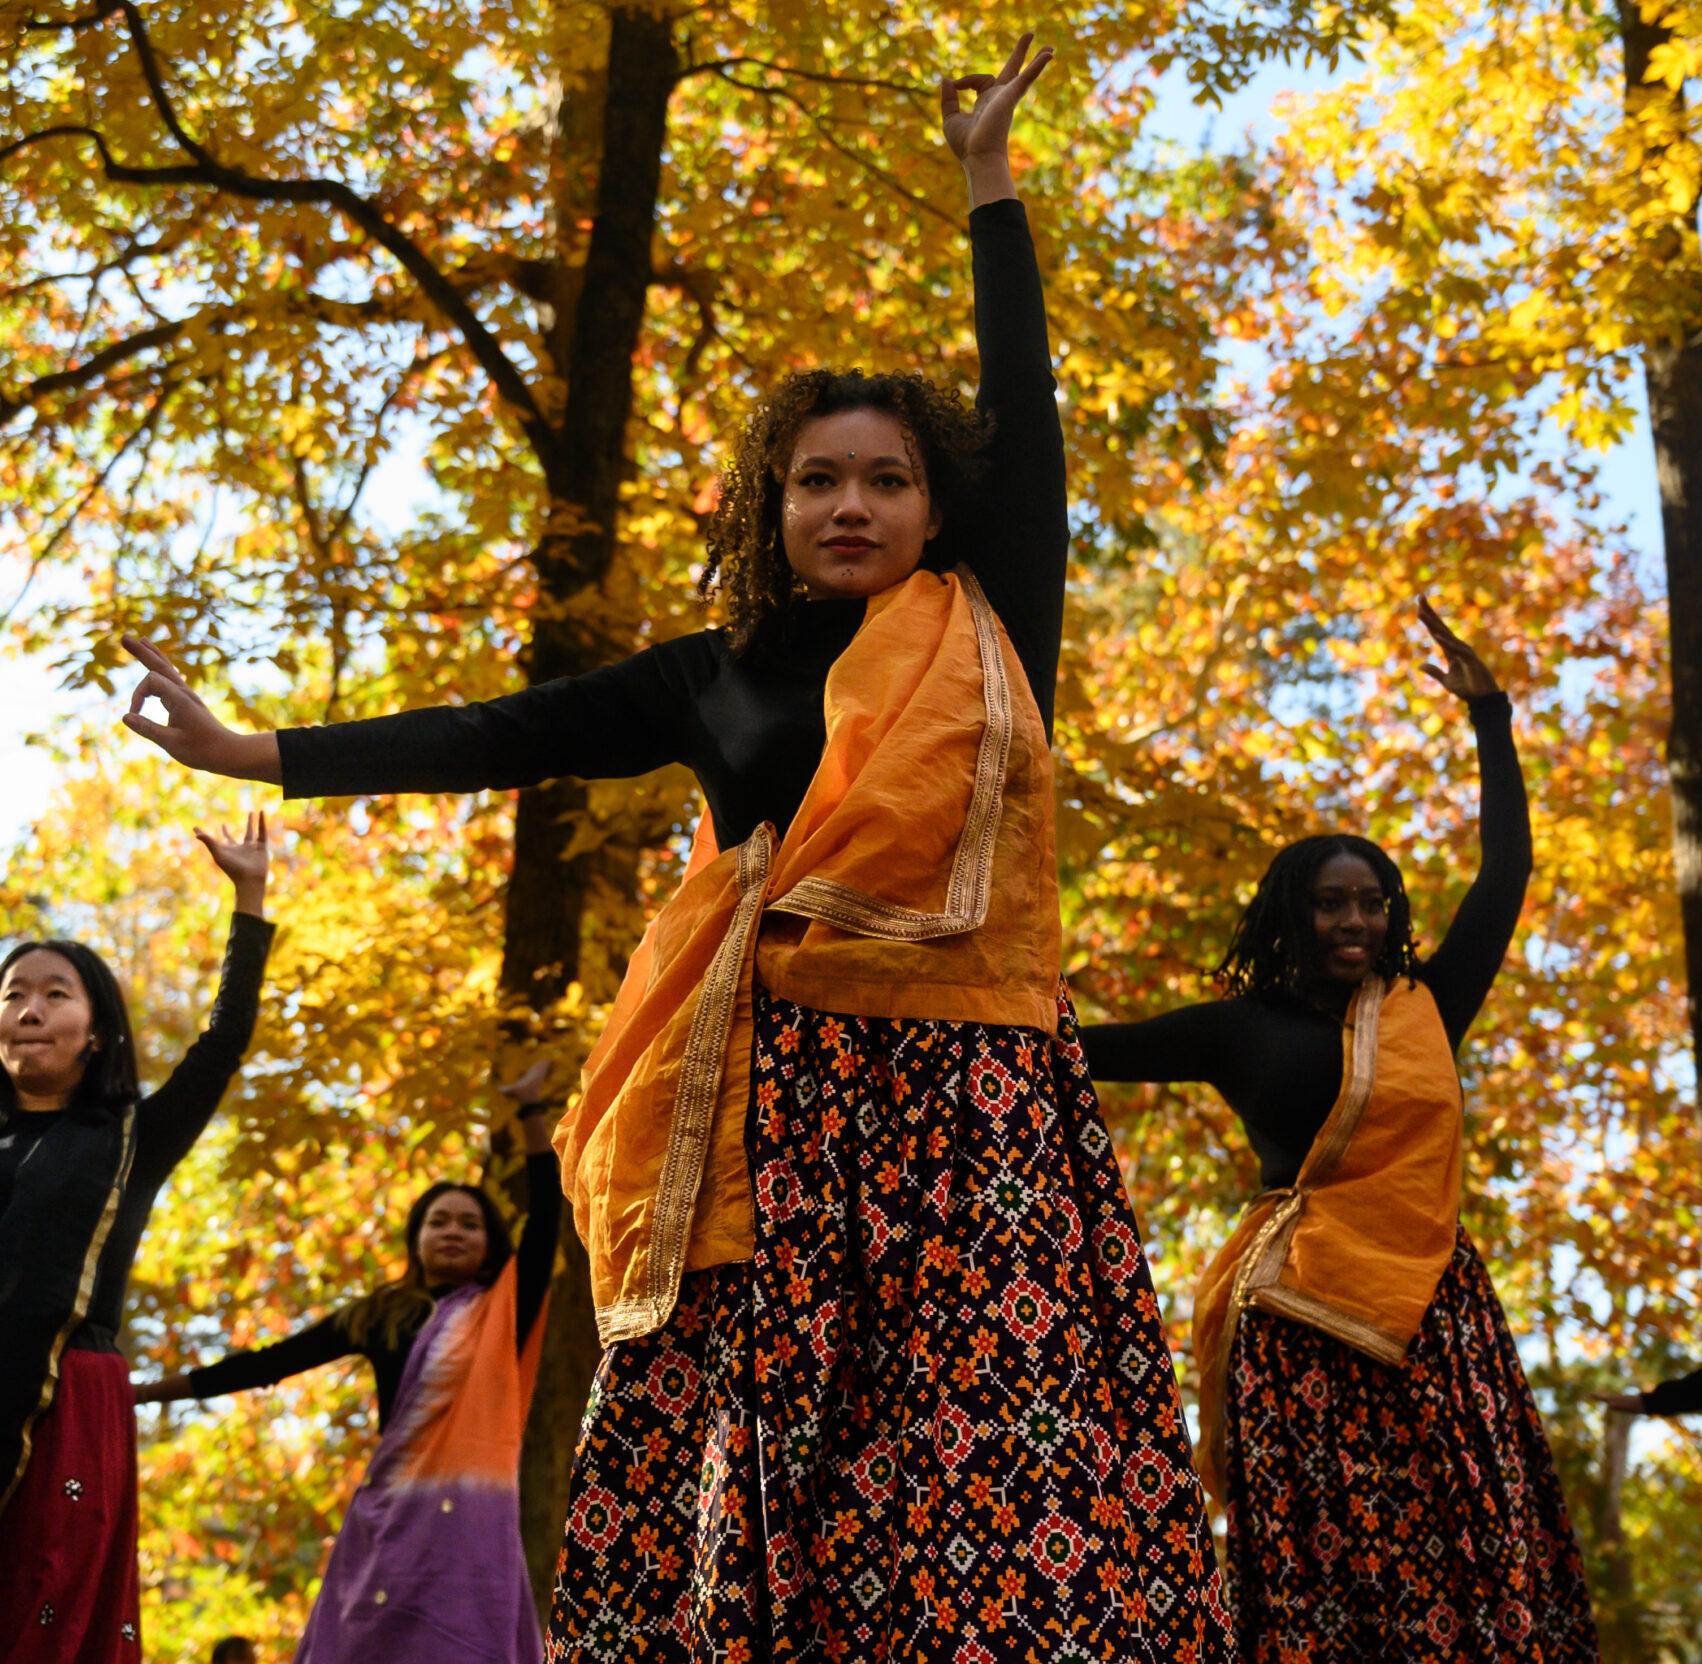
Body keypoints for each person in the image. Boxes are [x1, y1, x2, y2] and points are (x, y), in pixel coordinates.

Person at [117, 32, 1232, 1661]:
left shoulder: (992, 630)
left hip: (977, 1113)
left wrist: (990, 189)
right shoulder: (705, 676)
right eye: (815, 481)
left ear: (938, 508)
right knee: (772, 1457)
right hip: (766, 1116)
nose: (849, 504)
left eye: (887, 479)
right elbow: (498, 732)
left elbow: (1031, 425)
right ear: (771, 508)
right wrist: (253, 749)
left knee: (993, 1463)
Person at [1080, 600, 1600, 1661]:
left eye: (1373, 900)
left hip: (1429, 1309)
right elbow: (1079, 1050)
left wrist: (1490, 717)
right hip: (1300, 1324)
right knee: (1327, 1552)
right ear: (1290, 915)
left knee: (1459, 1528)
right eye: (1330, 903)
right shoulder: (1235, 1029)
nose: (1356, 919)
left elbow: (1505, 876)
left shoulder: (1426, 1006)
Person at [135, 1064, 563, 1663]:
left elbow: (546, 1221)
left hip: (473, 1520)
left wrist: (532, 1113)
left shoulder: (504, 1311)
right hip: (389, 1517)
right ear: (415, 1239)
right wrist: (148, 1392)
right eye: (438, 1220)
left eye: (470, 1223)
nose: (453, 1231)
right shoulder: (381, 1313)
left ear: (491, 1243)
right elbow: (272, 1363)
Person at [0, 814, 274, 1663]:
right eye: (12, 995)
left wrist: (251, 900)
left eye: (55, 994)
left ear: (97, 1030)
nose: (29, 1009)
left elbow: (223, 1042)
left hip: (69, 1403)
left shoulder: (129, 1142)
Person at [1595, 1366, 1702, 1416]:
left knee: (1648, 1403)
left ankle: (1607, 1399)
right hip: (1668, 1398)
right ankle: (1606, 1399)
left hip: (1668, 1398)